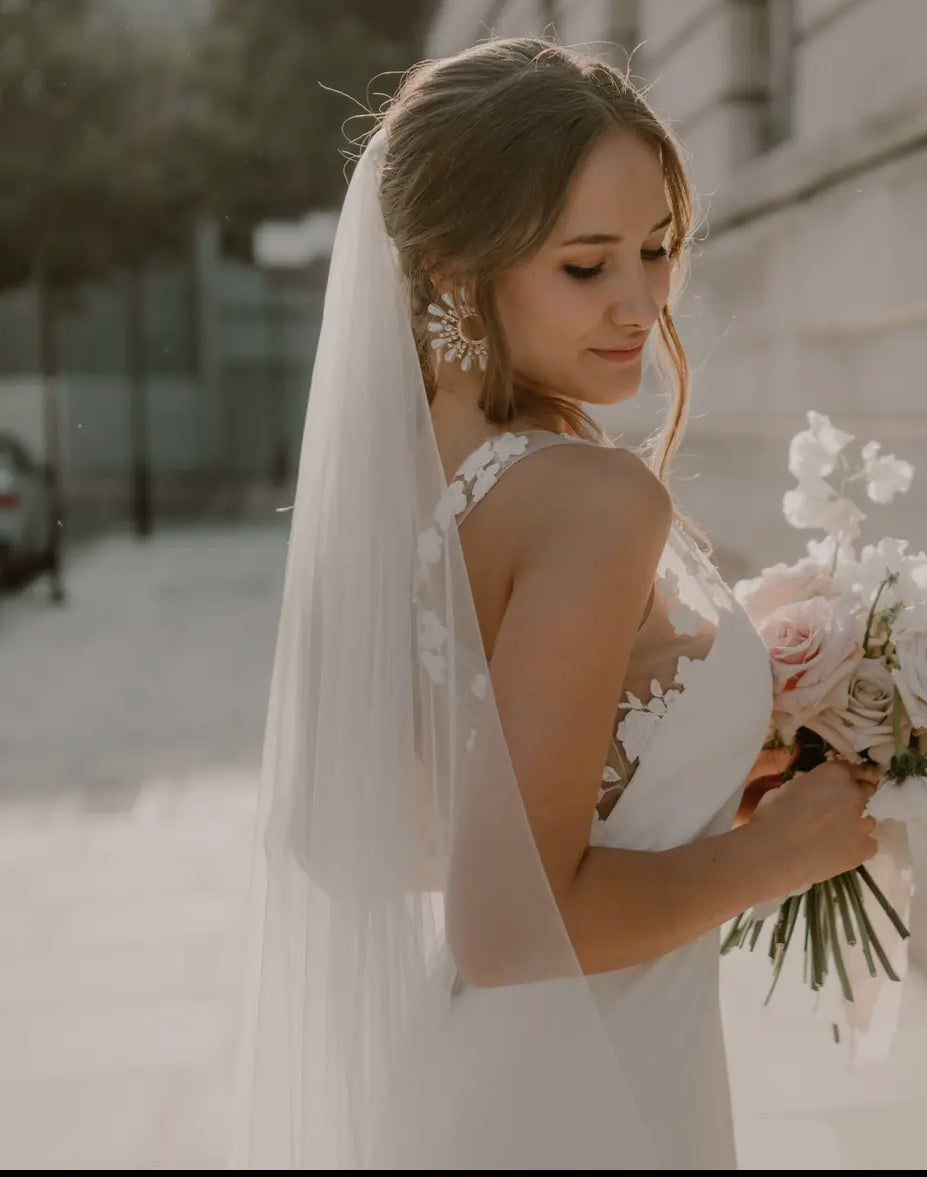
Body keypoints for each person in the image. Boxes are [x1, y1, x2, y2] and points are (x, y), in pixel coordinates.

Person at [232, 38, 881, 1170]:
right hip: (585, 1097)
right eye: (586, 267)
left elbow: (357, 830)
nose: (640, 301)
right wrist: (781, 855)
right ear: (448, 267)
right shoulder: (588, 497)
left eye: (657, 249)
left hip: (481, 1080)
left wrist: (685, 765)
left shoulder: (409, 478)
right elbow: (506, 921)